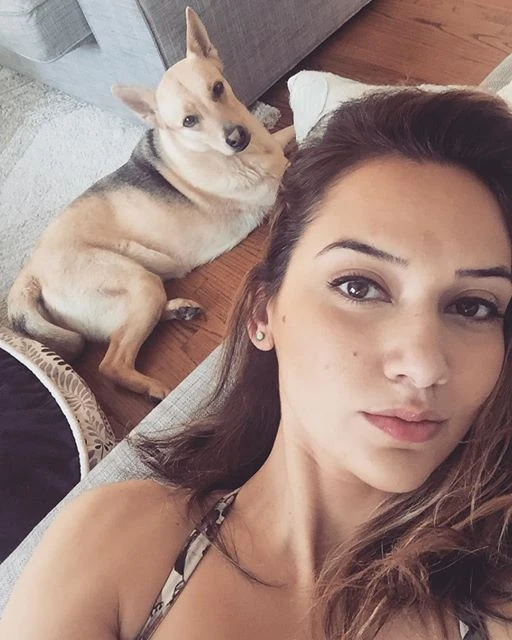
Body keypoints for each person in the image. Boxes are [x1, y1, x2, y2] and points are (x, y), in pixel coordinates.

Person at [2, 88, 512, 640]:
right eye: (359, 287)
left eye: (473, 307)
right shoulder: (121, 543)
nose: (424, 365)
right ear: (262, 313)